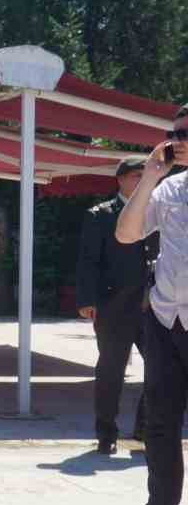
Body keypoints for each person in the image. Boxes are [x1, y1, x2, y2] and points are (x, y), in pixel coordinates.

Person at [116, 112, 188, 505]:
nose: (178, 140)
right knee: (159, 422)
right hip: (165, 320)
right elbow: (127, 234)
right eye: (174, 134)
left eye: (185, 134)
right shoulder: (170, 188)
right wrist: (149, 177)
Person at [76, 157, 157, 455]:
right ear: (120, 179)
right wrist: (87, 300)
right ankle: (106, 432)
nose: (142, 181)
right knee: (111, 369)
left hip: (154, 304)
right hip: (114, 304)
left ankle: (145, 428)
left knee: (162, 368)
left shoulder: (158, 210)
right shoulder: (101, 214)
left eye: (145, 176)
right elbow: (88, 260)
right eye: (137, 176)